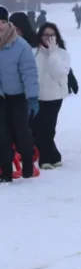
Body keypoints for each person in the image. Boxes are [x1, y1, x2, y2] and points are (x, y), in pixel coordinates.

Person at [0, 14, 40, 181]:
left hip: (19, 97)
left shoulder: (20, 45)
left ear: (8, 23)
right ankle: (6, 173)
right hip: (1, 97)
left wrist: (32, 98)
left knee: (22, 133)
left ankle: (28, 166)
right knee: (2, 135)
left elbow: (29, 72)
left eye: (2, 21)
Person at [32, 23, 71, 169]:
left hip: (55, 96)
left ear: (57, 37)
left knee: (49, 127)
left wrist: (53, 53)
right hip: (37, 96)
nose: (48, 38)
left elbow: (59, 73)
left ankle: (45, 159)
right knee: (37, 128)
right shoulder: (33, 52)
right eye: (46, 35)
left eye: (52, 35)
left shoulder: (63, 54)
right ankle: (54, 156)